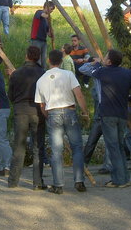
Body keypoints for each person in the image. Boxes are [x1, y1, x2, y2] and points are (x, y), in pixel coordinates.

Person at [35, 49, 90, 194]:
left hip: (53, 113)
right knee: (77, 147)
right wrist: (85, 112)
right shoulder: (69, 74)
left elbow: (41, 105)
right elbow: (79, 94)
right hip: (69, 111)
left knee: (56, 150)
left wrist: (47, 115)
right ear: (61, 61)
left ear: (49, 61)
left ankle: (58, 184)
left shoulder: (41, 80)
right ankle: (79, 181)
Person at [86, 49, 131, 187]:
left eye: (105, 56)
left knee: (113, 147)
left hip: (107, 114)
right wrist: (129, 98)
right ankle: (124, 178)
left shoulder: (102, 72)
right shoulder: (127, 73)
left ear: (109, 61)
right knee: (119, 146)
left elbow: (85, 70)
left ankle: (118, 180)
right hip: (122, 113)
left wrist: (97, 63)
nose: (103, 58)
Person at [7, 46, 47, 189]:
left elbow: (10, 96)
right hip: (38, 111)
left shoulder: (16, 73)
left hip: (21, 111)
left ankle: (13, 181)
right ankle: (37, 182)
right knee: (38, 147)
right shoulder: (43, 73)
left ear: (26, 56)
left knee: (19, 146)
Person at [30, 1, 56, 67]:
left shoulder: (47, 20)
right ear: (46, 7)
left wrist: (51, 34)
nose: (51, 11)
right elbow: (43, 15)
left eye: (52, 10)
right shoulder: (39, 12)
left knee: (43, 59)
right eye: (51, 9)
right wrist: (48, 17)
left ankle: (43, 73)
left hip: (43, 41)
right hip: (36, 39)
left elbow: (48, 33)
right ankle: (37, 74)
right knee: (37, 59)